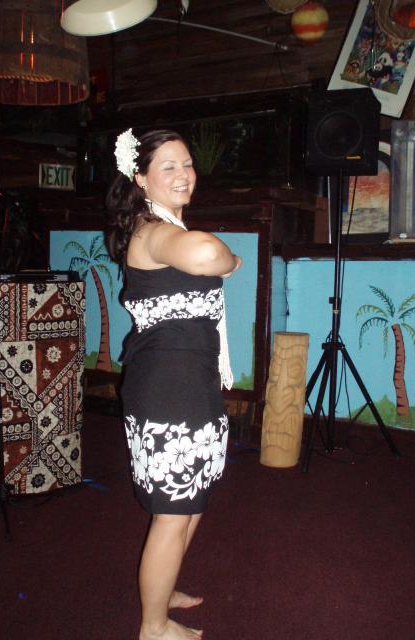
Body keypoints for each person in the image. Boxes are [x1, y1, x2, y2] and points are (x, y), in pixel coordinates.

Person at [105, 128, 242, 640]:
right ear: (141, 179)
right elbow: (208, 255)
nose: (184, 174)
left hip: (189, 382)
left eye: (187, 163)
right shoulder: (151, 230)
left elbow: (199, 257)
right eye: (168, 166)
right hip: (169, 390)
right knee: (172, 513)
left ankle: (160, 592)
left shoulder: (166, 227)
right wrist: (231, 262)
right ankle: (154, 625)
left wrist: (222, 262)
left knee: (192, 501)